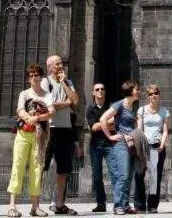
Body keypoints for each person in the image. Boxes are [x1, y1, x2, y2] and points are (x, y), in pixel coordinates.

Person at [7, 64, 55, 218]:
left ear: (41, 77)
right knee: (18, 166)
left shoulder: (47, 94)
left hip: (40, 137)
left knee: (37, 170)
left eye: (36, 75)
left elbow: (51, 112)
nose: (34, 78)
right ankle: (12, 206)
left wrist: (38, 118)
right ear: (28, 79)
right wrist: (32, 120)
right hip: (24, 133)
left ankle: (35, 206)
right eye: (31, 75)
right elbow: (20, 111)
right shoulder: (24, 94)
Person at [41, 55, 81, 216]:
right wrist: (66, 104)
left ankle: (59, 204)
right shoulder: (45, 82)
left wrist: (64, 83)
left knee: (63, 169)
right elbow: (47, 105)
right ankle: (36, 203)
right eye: (57, 64)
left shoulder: (68, 82)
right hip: (49, 129)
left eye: (62, 63)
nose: (61, 66)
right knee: (41, 166)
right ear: (50, 66)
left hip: (65, 129)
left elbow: (75, 100)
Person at [100, 80, 141, 215]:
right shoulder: (120, 105)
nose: (138, 91)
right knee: (123, 175)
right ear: (130, 91)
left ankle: (125, 204)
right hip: (121, 144)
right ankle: (117, 205)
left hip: (132, 144)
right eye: (136, 89)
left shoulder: (132, 107)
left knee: (129, 177)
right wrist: (110, 136)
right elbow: (103, 119)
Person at [135, 84, 170, 213]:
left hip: (157, 146)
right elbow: (139, 129)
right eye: (151, 94)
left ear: (159, 95)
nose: (153, 95)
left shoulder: (164, 111)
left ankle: (152, 205)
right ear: (148, 96)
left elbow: (165, 130)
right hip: (144, 146)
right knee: (139, 174)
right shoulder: (142, 110)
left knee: (155, 177)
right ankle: (139, 205)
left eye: (156, 93)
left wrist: (162, 144)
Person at [87, 83, 113, 213]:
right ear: (93, 92)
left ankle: (119, 203)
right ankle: (101, 204)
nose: (100, 91)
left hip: (110, 143)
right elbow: (93, 127)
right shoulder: (90, 108)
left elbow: (115, 125)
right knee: (97, 176)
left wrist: (101, 124)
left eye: (102, 89)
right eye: (97, 89)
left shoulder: (110, 106)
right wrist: (108, 122)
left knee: (115, 173)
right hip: (95, 144)